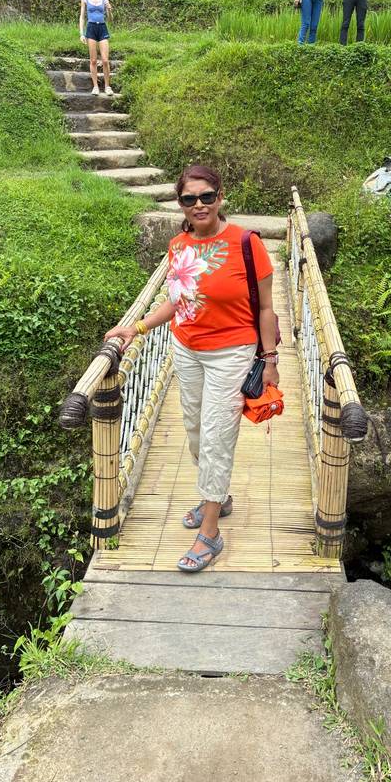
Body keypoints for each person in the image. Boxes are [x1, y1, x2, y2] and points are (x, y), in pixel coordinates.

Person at [103, 166, 280, 573]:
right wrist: (138, 327)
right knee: (196, 431)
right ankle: (218, 495)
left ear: (220, 197)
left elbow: (267, 307)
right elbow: (176, 302)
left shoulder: (245, 243)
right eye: (189, 199)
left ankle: (211, 533)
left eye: (206, 196)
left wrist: (269, 360)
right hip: (186, 350)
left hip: (233, 353)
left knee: (218, 436)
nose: (198, 205)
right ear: (180, 203)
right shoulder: (178, 245)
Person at [79, 0, 114, 96]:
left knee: (105, 60)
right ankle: (95, 86)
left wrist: (109, 10)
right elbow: (82, 17)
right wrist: (81, 33)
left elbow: (110, 20)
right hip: (91, 27)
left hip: (102, 27)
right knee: (93, 60)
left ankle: (107, 86)